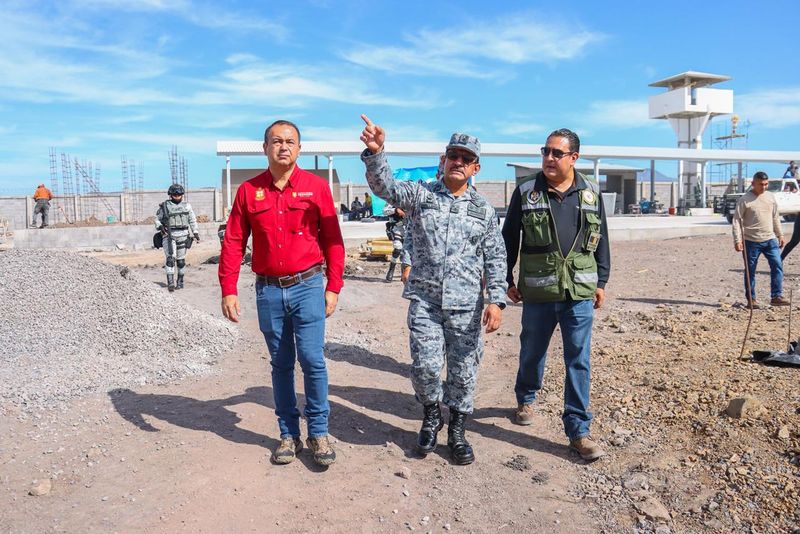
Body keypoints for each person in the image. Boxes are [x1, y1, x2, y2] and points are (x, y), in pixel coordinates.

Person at [360, 114, 507, 465]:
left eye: (466, 159)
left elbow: (495, 256)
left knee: (463, 371)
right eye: (453, 155)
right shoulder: (421, 194)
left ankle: (457, 429)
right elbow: (385, 188)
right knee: (426, 367)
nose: (459, 162)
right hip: (426, 302)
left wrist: (497, 300)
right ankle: (430, 416)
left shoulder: (484, 210)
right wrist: (377, 153)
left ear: (476, 168)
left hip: (466, 306)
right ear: (443, 160)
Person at [219, 119, 345, 466]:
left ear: (299, 149)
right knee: (281, 364)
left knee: (313, 359)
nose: (283, 147)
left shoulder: (316, 188)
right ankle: (289, 434)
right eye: (276, 141)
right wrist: (228, 288)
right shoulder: (249, 191)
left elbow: (333, 241)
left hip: (308, 287)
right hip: (269, 292)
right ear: (265, 148)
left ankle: (318, 432)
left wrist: (333, 286)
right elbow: (233, 241)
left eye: (290, 141)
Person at [502, 128, 611, 461]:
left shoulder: (591, 193)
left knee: (579, 359)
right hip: (538, 290)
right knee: (532, 350)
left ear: (573, 158)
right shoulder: (526, 191)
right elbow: (509, 239)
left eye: (556, 153)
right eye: (545, 151)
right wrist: (506, 278)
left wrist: (602, 281)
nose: (549, 158)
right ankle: (526, 398)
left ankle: (578, 430)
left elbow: (602, 239)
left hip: (579, 291)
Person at [733, 171, 790, 308]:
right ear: (753, 183)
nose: (763, 187)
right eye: (760, 184)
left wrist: (780, 234)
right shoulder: (744, 200)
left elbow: (775, 217)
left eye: (766, 184)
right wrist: (737, 240)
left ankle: (776, 296)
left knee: (777, 265)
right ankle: (751, 299)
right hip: (751, 241)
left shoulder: (770, 197)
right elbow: (736, 221)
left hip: (770, 239)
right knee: (750, 270)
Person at [155, 184, 199, 292]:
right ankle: (170, 282)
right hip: (169, 235)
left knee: (181, 261)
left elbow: (192, 220)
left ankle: (180, 282)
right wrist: (160, 226)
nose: (177, 196)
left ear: (182, 195)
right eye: (175, 194)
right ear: (170, 195)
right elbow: (157, 219)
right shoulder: (164, 206)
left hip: (183, 235)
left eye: (179, 194)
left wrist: (195, 232)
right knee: (170, 259)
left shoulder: (187, 206)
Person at [384, 207, 406, 282]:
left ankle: (404, 272)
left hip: (408, 229)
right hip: (396, 229)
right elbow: (385, 211)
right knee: (397, 249)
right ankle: (391, 270)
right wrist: (395, 210)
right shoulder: (393, 201)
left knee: (407, 252)